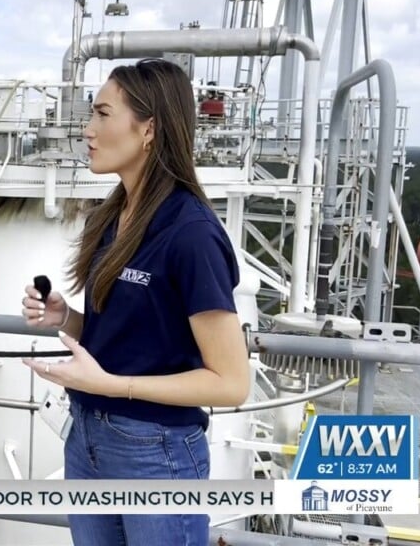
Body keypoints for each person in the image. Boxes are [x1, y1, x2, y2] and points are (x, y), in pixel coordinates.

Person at [20, 58, 250, 545]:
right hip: (87, 437)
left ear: (149, 129)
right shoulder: (112, 218)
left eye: (103, 114)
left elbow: (230, 383)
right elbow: (134, 337)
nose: (88, 129)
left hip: (156, 453)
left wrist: (113, 385)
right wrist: (69, 319)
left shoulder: (191, 235)